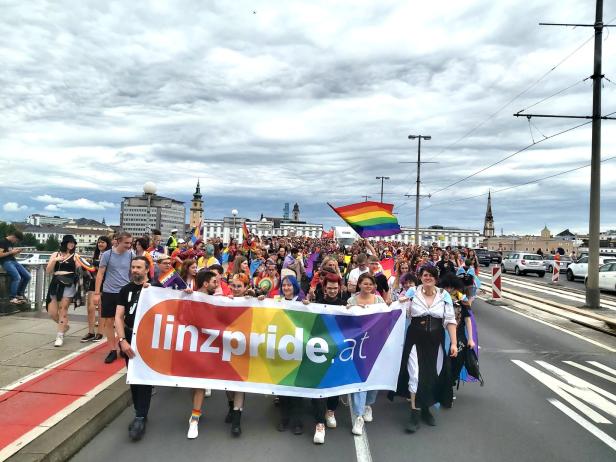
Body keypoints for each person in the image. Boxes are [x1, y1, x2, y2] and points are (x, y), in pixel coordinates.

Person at [394, 266, 458, 433]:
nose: (427, 278)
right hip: (415, 337)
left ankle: (425, 409)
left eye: (430, 275)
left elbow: (450, 320)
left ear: (436, 278)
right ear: (420, 277)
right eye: (424, 275)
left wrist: (453, 343)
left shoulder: (444, 295)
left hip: (436, 339)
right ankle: (414, 413)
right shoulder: (412, 292)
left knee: (431, 374)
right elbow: (398, 309)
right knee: (414, 374)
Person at [114, 256, 155, 441]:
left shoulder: (156, 288)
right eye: (133, 267)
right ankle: (140, 412)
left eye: (139, 267)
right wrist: (122, 340)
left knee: (143, 377)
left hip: (147, 337)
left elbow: (175, 299)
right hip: (129, 336)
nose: (135, 270)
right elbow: (118, 316)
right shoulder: (125, 290)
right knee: (133, 376)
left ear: (147, 269)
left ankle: (140, 416)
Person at [303, 272, 343, 444]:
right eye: (329, 288)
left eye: (335, 288)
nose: (332, 291)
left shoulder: (345, 305)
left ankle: (331, 411)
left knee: (333, 383)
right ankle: (319, 423)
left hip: (337, 351)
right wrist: (306, 306)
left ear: (339, 288)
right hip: (318, 351)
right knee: (318, 386)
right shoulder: (317, 304)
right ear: (324, 288)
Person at [346, 273, 385, 436]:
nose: (368, 286)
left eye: (371, 284)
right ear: (359, 285)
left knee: (373, 378)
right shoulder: (351, 301)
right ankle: (359, 415)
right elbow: (346, 321)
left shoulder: (379, 301)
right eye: (365, 284)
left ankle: (368, 404)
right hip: (357, 345)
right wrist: (350, 310)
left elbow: (386, 318)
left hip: (374, 344)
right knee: (359, 379)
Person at [92, 232, 134, 364]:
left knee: (125, 321)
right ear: (118, 241)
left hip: (125, 291)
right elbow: (100, 274)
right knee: (109, 321)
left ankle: (123, 344)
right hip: (109, 291)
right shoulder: (107, 255)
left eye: (130, 243)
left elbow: (132, 274)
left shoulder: (131, 255)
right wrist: (97, 293)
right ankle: (112, 349)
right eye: (126, 243)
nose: (129, 245)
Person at [46, 235, 80, 347]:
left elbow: (79, 271)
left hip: (68, 284)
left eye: (73, 243)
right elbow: (48, 270)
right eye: (69, 242)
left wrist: (79, 264)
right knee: (52, 312)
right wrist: (55, 260)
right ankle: (65, 326)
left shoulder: (75, 256)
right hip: (55, 283)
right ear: (64, 243)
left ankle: (59, 335)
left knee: (63, 309)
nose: (71, 244)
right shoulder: (55, 254)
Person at [81, 236, 112, 342]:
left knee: (101, 309)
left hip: (105, 283)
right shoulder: (96, 255)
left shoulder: (110, 255)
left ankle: (100, 332)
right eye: (99, 242)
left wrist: (96, 265)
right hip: (93, 282)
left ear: (107, 244)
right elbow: (92, 269)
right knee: (90, 308)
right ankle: (90, 332)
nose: (100, 244)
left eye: (103, 242)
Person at [0, 230, 31, 305]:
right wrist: (11, 252)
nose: (16, 242)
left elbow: (10, 254)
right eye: (16, 240)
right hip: (5, 262)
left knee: (27, 276)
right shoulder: (2, 242)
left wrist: (16, 253)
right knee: (17, 277)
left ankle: (19, 294)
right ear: (14, 237)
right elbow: (0, 255)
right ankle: (12, 297)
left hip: (13, 261)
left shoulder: (11, 243)